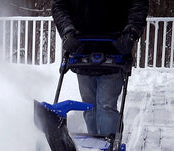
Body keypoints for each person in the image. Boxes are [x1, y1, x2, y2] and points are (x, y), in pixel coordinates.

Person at [52, 0, 149, 137]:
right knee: (89, 106)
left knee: (106, 106)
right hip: (81, 48)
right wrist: (67, 31)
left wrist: (131, 33)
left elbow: (138, 5)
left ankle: (108, 144)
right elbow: (59, 5)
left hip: (114, 48)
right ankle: (93, 145)